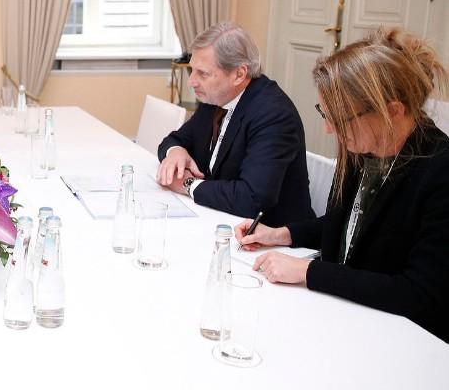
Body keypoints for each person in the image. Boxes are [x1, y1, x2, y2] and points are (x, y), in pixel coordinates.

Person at [236, 28, 449, 343]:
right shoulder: (365, 148)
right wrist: (281, 234)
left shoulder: (439, 171)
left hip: (402, 338)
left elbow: (418, 294)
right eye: (326, 113)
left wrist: (308, 272)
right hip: (345, 316)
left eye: (339, 117)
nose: (328, 128)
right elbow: (349, 226)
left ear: (393, 111)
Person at [156, 22, 314, 226]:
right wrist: (176, 152)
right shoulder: (216, 97)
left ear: (239, 74)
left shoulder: (274, 115)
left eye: (202, 73)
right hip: (218, 218)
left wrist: (188, 184)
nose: (191, 81)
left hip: (267, 234)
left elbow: (252, 199)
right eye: (192, 70)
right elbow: (174, 140)